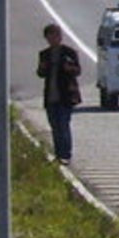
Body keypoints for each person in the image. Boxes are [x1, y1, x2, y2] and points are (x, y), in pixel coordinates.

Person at [37, 23, 82, 163]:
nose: (54, 38)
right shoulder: (44, 54)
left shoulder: (69, 52)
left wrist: (69, 68)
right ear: (47, 38)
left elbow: (78, 71)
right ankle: (58, 154)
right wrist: (42, 68)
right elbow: (40, 73)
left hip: (66, 96)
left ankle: (66, 155)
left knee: (63, 125)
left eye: (57, 35)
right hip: (51, 96)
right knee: (54, 127)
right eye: (51, 36)